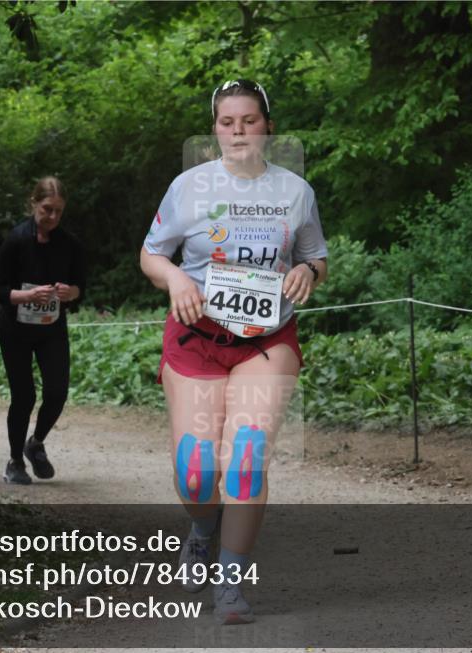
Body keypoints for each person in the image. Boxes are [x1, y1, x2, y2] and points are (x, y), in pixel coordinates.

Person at [140, 79, 328, 624]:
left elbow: (317, 257)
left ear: (267, 125)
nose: (239, 131)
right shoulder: (188, 187)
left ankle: (230, 580)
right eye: (228, 122)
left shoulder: (295, 191)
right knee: (196, 470)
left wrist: (305, 270)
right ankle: (203, 526)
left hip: (266, 343)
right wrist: (176, 280)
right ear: (214, 129)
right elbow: (152, 254)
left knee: (245, 458)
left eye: (249, 120)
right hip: (197, 338)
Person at [0, 176, 86, 485]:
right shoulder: (16, 240)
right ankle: (15, 461)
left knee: (57, 391)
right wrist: (25, 296)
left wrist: (72, 293)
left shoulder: (69, 244)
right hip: (15, 328)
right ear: (33, 204)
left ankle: (36, 443)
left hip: (51, 328)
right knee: (24, 396)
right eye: (46, 210)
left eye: (58, 211)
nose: (52, 217)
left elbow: (82, 287)